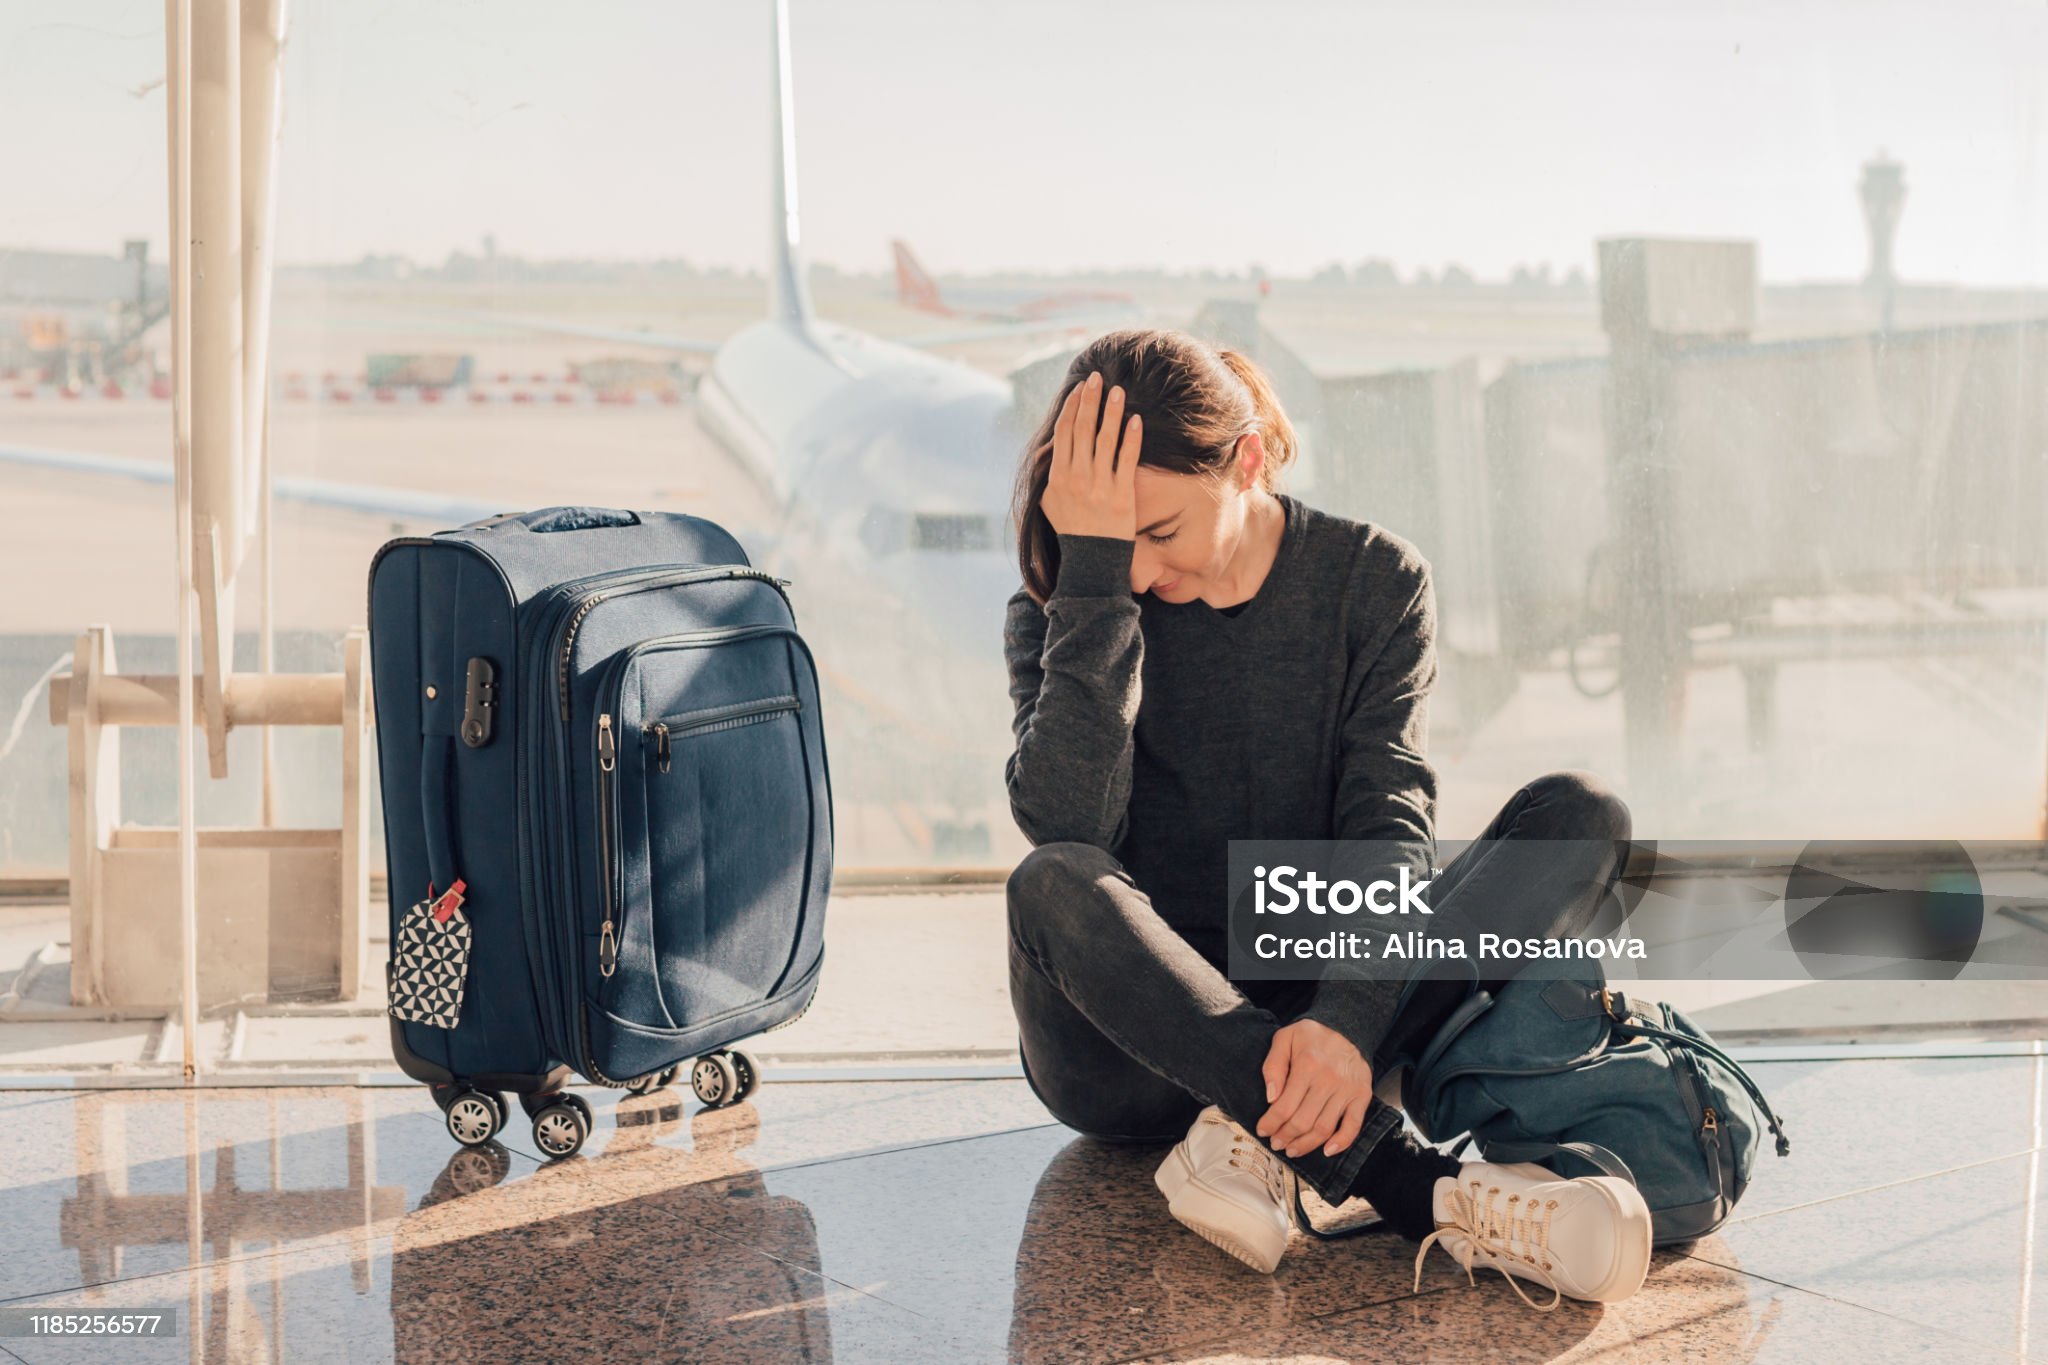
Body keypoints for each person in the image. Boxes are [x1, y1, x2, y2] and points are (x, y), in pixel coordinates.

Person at [1001, 328, 1653, 1310]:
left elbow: (1383, 817)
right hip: (1132, 1052)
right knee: (1050, 880)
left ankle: (1254, 1127)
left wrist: (1345, 1024)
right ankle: (1411, 1187)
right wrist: (1088, 588)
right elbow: (1066, 823)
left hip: (1322, 1017)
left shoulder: (1372, 582)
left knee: (1579, 815)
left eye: (1157, 531)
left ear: (1246, 460)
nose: (1133, 570)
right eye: (1109, 538)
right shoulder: (1073, 604)